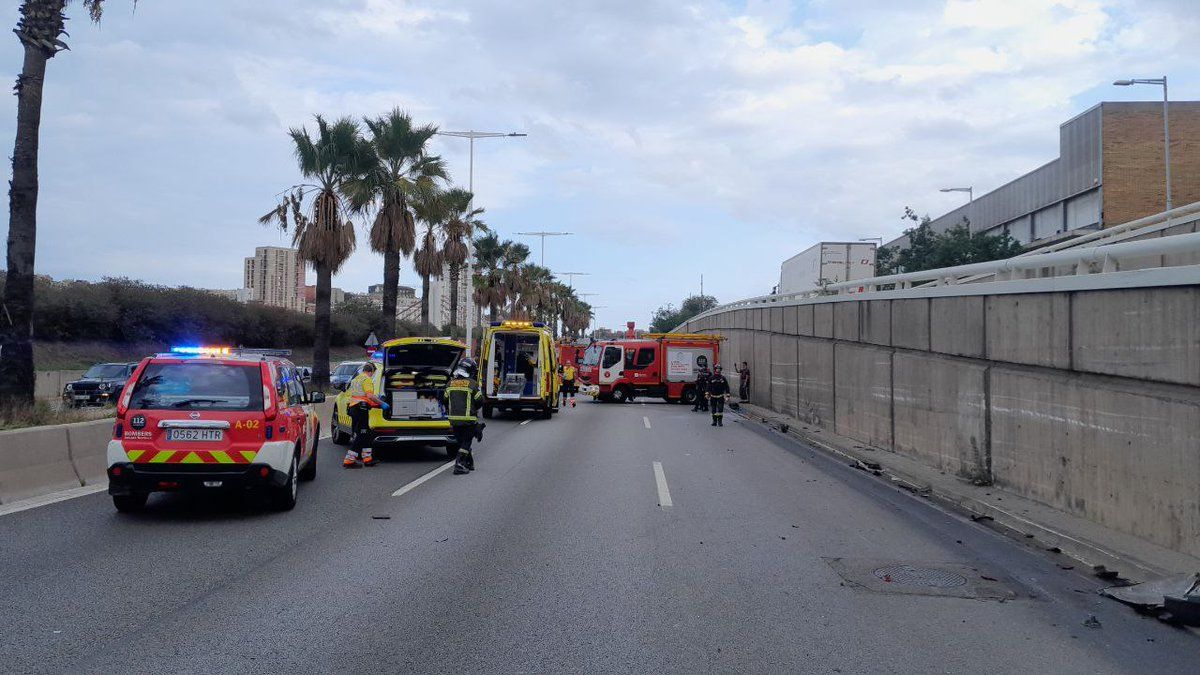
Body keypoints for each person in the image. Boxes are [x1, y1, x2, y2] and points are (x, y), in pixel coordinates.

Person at [344, 362, 386, 468]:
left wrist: (374, 405)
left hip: (354, 408)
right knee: (362, 434)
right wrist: (382, 403)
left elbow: (358, 396)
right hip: (360, 409)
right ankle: (349, 460)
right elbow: (370, 396)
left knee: (366, 433)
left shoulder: (356, 379)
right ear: (371, 371)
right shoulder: (366, 379)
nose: (373, 375)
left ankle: (367, 459)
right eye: (373, 373)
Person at [447, 358, 485, 475]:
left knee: (461, 442)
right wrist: (473, 408)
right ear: (470, 371)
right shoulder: (472, 384)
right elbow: (480, 400)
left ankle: (468, 462)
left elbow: (444, 399)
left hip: (453, 420)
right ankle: (458, 464)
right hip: (468, 420)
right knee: (466, 442)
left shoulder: (450, 384)